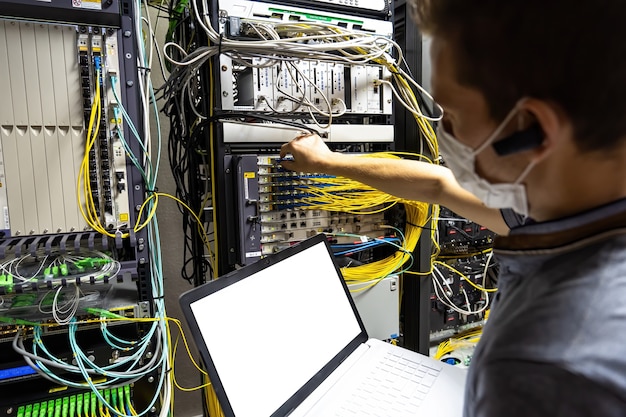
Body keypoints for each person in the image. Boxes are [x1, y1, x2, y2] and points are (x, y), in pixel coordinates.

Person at [281, 0, 626, 416]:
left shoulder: (541, 368)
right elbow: (437, 184)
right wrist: (325, 162)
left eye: (454, 118)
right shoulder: (564, 207)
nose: (444, 138)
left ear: (532, 130)